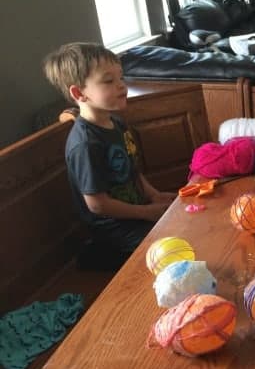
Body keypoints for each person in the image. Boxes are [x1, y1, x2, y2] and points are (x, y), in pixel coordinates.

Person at [43, 43, 176, 268]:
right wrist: (146, 212)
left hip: (139, 212)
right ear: (79, 93)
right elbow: (97, 205)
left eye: (121, 78)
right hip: (115, 229)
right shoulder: (85, 144)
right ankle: (102, 255)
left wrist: (155, 195)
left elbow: (132, 168)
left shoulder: (116, 123)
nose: (121, 86)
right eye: (108, 81)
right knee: (171, 251)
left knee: (183, 219)